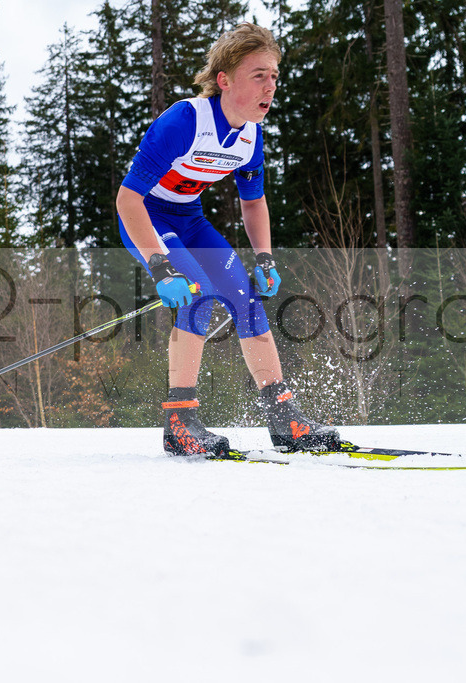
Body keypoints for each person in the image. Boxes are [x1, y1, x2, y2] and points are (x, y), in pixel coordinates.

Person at [116, 23, 340, 458]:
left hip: (190, 220)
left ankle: (283, 417)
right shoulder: (184, 121)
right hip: (148, 217)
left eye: (274, 76)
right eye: (259, 75)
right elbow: (128, 200)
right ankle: (179, 422)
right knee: (197, 294)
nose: (270, 86)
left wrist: (265, 258)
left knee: (246, 299)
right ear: (224, 80)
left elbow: (253, 203)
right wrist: (161, 266)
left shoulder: (251, 136)